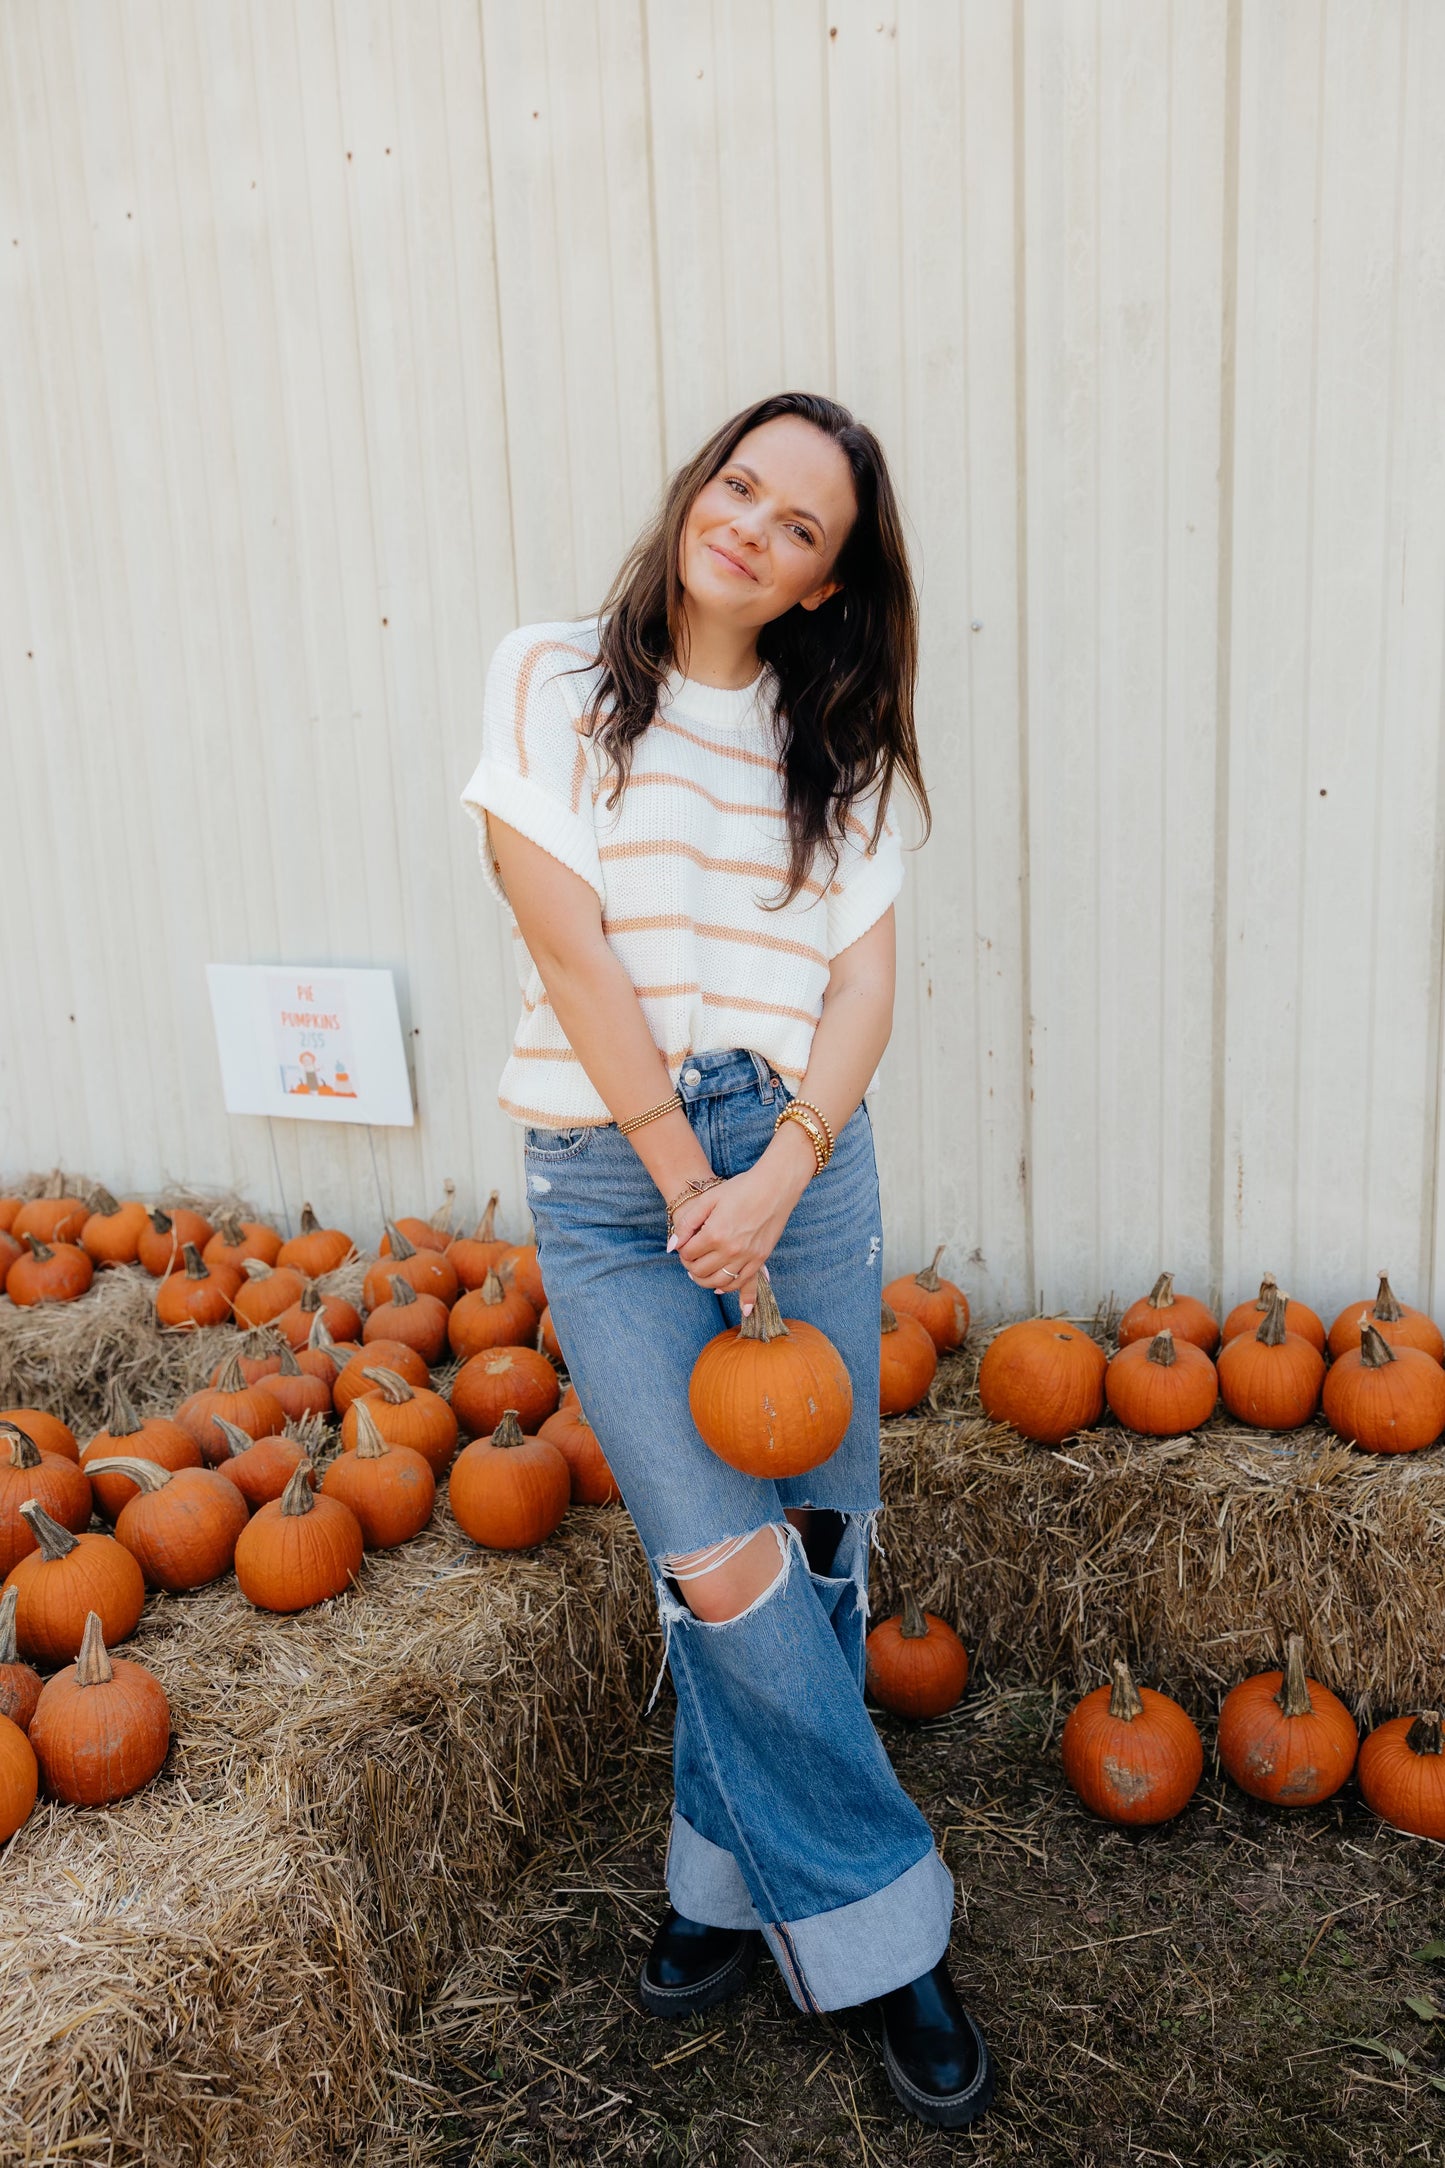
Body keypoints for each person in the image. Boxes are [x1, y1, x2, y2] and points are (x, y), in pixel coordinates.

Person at [459, 391, 995, 2129]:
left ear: (827, 585)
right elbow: (568, 941)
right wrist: (700, 1181)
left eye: (799, 526)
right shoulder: (548, 676)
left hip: (798, 1168)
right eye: (739, 485)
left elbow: (862, 988)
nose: (749, 525)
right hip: (622, 1187)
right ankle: (883, 1921)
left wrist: (786, 1169)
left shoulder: (831, 746)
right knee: (720, 1567)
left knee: (817, 1536)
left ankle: (718, 1883)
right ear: (697, 485)